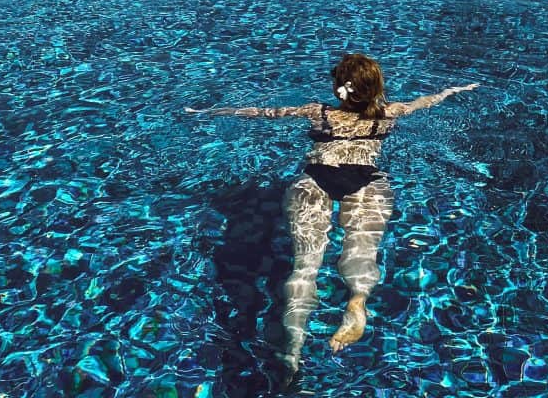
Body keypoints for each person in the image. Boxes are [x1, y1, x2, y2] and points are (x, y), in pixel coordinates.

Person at [186, 53, 478, 379]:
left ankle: (292, 351)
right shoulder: (390, 113)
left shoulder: (318, 112)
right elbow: (426, 102)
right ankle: (357, 301)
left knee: (304, 269)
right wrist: (455, 90)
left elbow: (263, 113)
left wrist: (209, 111)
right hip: (367, 181)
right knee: (361, 253)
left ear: (339, 86)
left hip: (314, 181)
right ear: (376, 88)